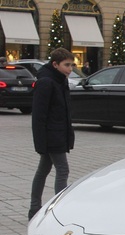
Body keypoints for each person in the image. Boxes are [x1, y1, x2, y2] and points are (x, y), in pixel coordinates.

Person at [28, 48, 76, 220]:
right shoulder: (47, 82)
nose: (70, 69)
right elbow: (39, 115)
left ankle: (34, 208)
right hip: (51, 134)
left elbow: (63, 112)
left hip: (58, 133)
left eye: (72, 65)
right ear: (55, 64)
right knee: (63, 170)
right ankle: (59, 210)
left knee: (44, 169)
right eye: (67, 65)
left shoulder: (60, 80)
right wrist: (40, 142)